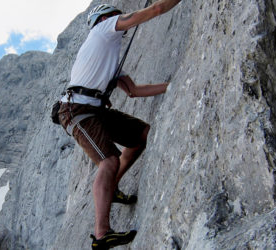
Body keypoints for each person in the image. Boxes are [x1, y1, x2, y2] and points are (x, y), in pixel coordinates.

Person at [57, 1, 182, 249]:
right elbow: (155, 9)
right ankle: (102, 234)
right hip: (76, 110)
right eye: (117, 17)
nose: (121, 21)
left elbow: (134, 91)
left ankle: (112, 188)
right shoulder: (102, 30)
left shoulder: (112, 60)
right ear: (105, 19)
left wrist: (171, 86)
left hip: (93, 110)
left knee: (141, 135)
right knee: (109, 160)